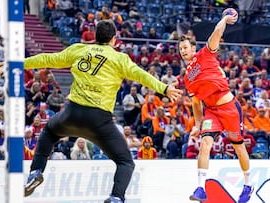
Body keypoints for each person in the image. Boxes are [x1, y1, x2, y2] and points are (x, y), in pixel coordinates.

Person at [23, 20, 182, 203]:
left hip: (72, 114)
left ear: (95, 37)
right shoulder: (120, 59)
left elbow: (47, 59)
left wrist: (18, 64)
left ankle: (36, 172)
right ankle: (116, 197)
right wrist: (164, 88)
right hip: (99, 121)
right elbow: (142, 75)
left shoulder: (78, 49)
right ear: (114, 39)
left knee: (49, 132)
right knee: (125, 162)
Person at [179, 9, 253, 202]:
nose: (183, 51)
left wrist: (224, 20)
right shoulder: (187, 78)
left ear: (193, 48)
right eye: (180, 49)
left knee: (238, 147)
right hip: (211, 112)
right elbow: (196, 102)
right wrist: (197, 124)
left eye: (185, 47)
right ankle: (200, 188)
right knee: (204, 144)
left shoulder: (205, 54)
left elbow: (216, 34)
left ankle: (247, 184)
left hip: (229, 108)